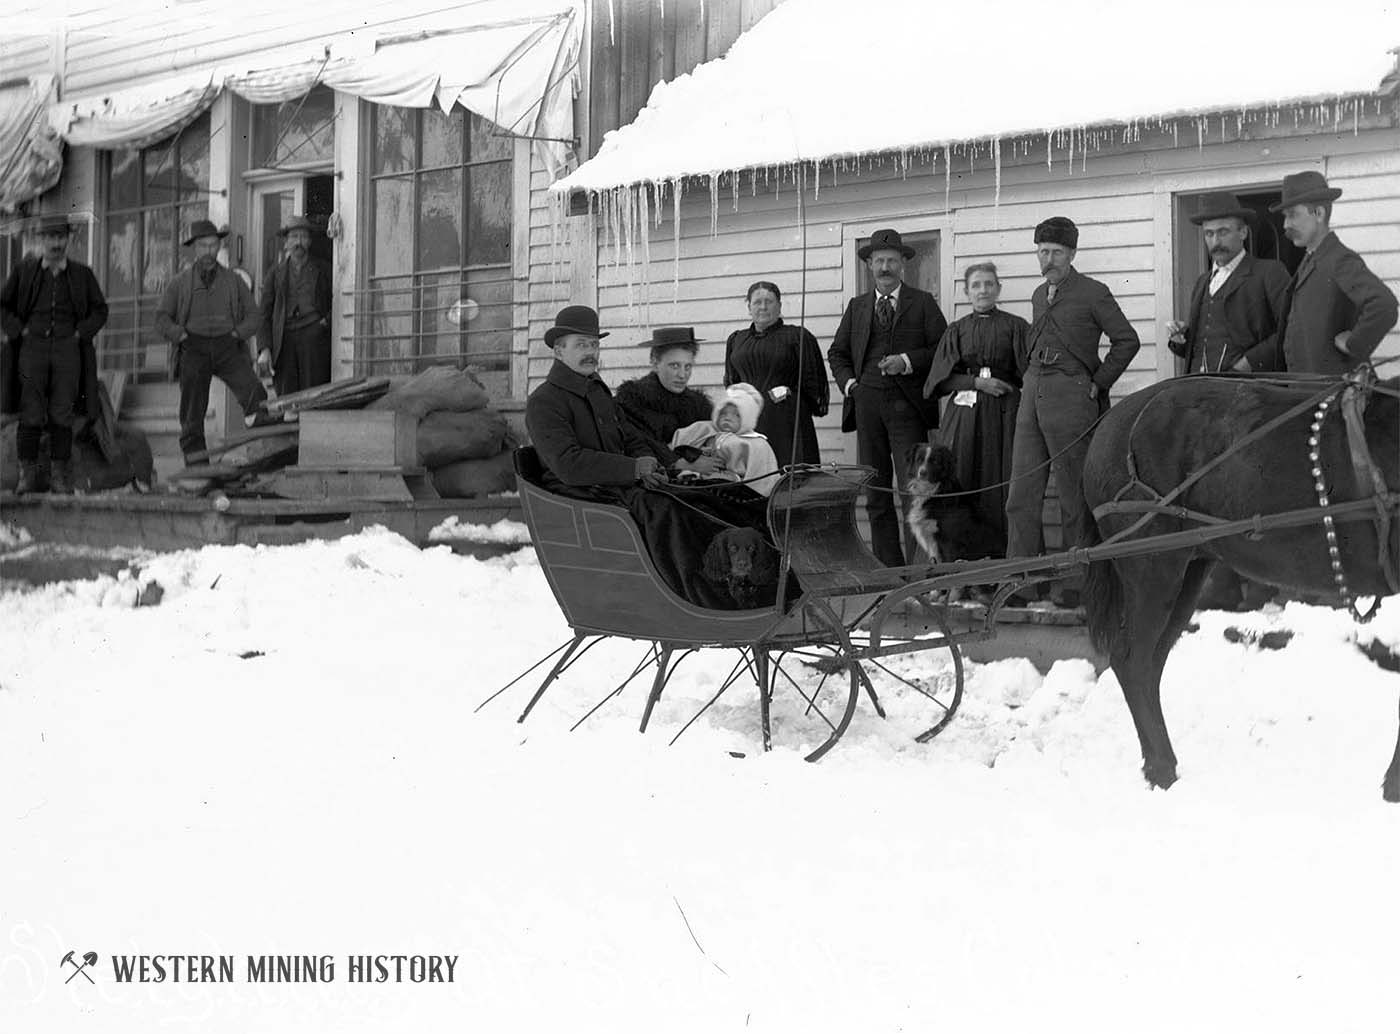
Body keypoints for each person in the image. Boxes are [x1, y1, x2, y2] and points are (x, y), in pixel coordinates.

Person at [525, 305, 765, 609]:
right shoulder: (545, 401)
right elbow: (569, 465)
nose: (590, 352)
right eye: (581, 345)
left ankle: (753, 579)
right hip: (585, 493)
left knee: (709, 496)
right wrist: (634, 468)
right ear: (559, 351)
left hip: (621, 484)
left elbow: (630, 435)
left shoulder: (597, 391)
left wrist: (651, 463)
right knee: (671, 513)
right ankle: (700, 596)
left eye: (594, 344)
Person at [1004, 216, 1140, 605]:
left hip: (1072, 396)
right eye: (1043, 252)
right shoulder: (1036, 294)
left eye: (1057, 253)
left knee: (1072, 494)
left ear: (1072, 253)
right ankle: (1023, 580)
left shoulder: (1094, 292)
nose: (1049, 260)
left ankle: (1077, 581)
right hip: (1032, 392)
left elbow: (1125, 341)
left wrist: (1098, 382)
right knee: (1021, 493)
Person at [827, 227, 948, 566]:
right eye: (879, 261)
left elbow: (941, 348)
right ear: (869, 266)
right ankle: (889, 571)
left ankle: (920, 574)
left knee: (915, 491)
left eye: (891, 261)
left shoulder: (922, 303)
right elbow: (837, 353)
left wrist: (907, 361)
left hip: (907, 408)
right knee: (876, 492)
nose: (884, 267)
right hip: (867, 407)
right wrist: (851, 385)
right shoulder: (857, 307)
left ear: (902, 265)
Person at [922, 262, 1029, 555]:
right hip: (964, 417)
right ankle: (959, 566)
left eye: (989, 284)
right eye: (977, 285)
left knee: (1002, 482)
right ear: (967, 292)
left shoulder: (1015, 326)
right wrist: (976, 383)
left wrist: (1006, 387)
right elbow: (937, 382)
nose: (983, 290)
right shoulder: (957, 330)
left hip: (1004, 415)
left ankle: (1003, 563)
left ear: (998, 289)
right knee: (961, 481)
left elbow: (1029, 373)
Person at [1, 214, 109, 494]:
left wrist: (79, 333)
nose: (56, 244)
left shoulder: (82, 275)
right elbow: (3, 306)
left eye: (61, 237)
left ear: (68, 240)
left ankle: (61, 477)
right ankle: (28, 476)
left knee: (62, 412)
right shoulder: (24, 271)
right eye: (51, 238)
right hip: (32, 348)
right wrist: (19, 331)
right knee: (31, 411)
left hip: (67, 349)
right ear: (41, 240)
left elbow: (100, 310)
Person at [154, 219, 272, 464]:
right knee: (192, 412)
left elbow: (255, 315)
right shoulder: (180, 283)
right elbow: (161, 318)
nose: (209, 251)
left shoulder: (233, 281)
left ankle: (265, 453)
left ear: (219, 247)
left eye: (213, 245)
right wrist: (180, 334)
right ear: (194, 248)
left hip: (227, 346)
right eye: (203, 246)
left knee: (254, 392)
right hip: (193, 348)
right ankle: (196, 467)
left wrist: (239, 333)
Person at [1270, 171, 1398, 375]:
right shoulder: (1310, 259)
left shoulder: (1339, 259)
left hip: (1334, 394)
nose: (1286, 225)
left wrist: (1354, 344)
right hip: (1308, 392)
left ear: (1319, 214)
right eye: (1285, 217)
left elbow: (1384, 304)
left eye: (1293, 215)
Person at [1165, 192, 1290, 375]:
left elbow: (1289, 330)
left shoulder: (1269, 273)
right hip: (1199, 390)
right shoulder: (1202, 282)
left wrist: (1248, 364)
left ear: (1243, 232)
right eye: (1209, 234)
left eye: (1223, 232)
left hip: (1250, 390)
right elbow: (1202, 346)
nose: (1216, 242)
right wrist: (1180, 338)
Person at [723, 281, 829, 466]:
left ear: (779, 306)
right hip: (748, 420)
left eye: (769, 301)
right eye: (757, 302)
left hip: (785, 420)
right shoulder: (737, 339)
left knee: (785, 476)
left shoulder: (797, 337)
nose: (763, 307)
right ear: (749, 307)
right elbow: (732, 381)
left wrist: (788, 391)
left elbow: (814, 384)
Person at [614, 326, 723, 475]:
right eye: (674, 366)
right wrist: (681, 463)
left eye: (688, 366)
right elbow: (637, 443)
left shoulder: (698, 405)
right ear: (655, 362)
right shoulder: (632, 400)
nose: (682, 375)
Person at [258, 215, 332, 396]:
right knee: (287, 391)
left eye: (303, 236)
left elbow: (337, 300)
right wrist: (265, 348)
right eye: (294, 237)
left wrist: (326, 321)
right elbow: (264, 313)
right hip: (285, 336)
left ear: (309, 241)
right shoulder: (275, 274)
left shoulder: (324, 269)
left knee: (313, 390)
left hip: (313, 335)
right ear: (286, 242)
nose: (298, 242)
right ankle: (290, 418)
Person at [671, 383, 782, 496]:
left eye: (737, 415)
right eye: (723, 413)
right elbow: (678, 446)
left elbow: (762, 474)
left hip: (733, 484)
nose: (728, 418)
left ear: (747, 419)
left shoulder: (754, 443)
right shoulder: (705, 429)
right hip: (699, 472)